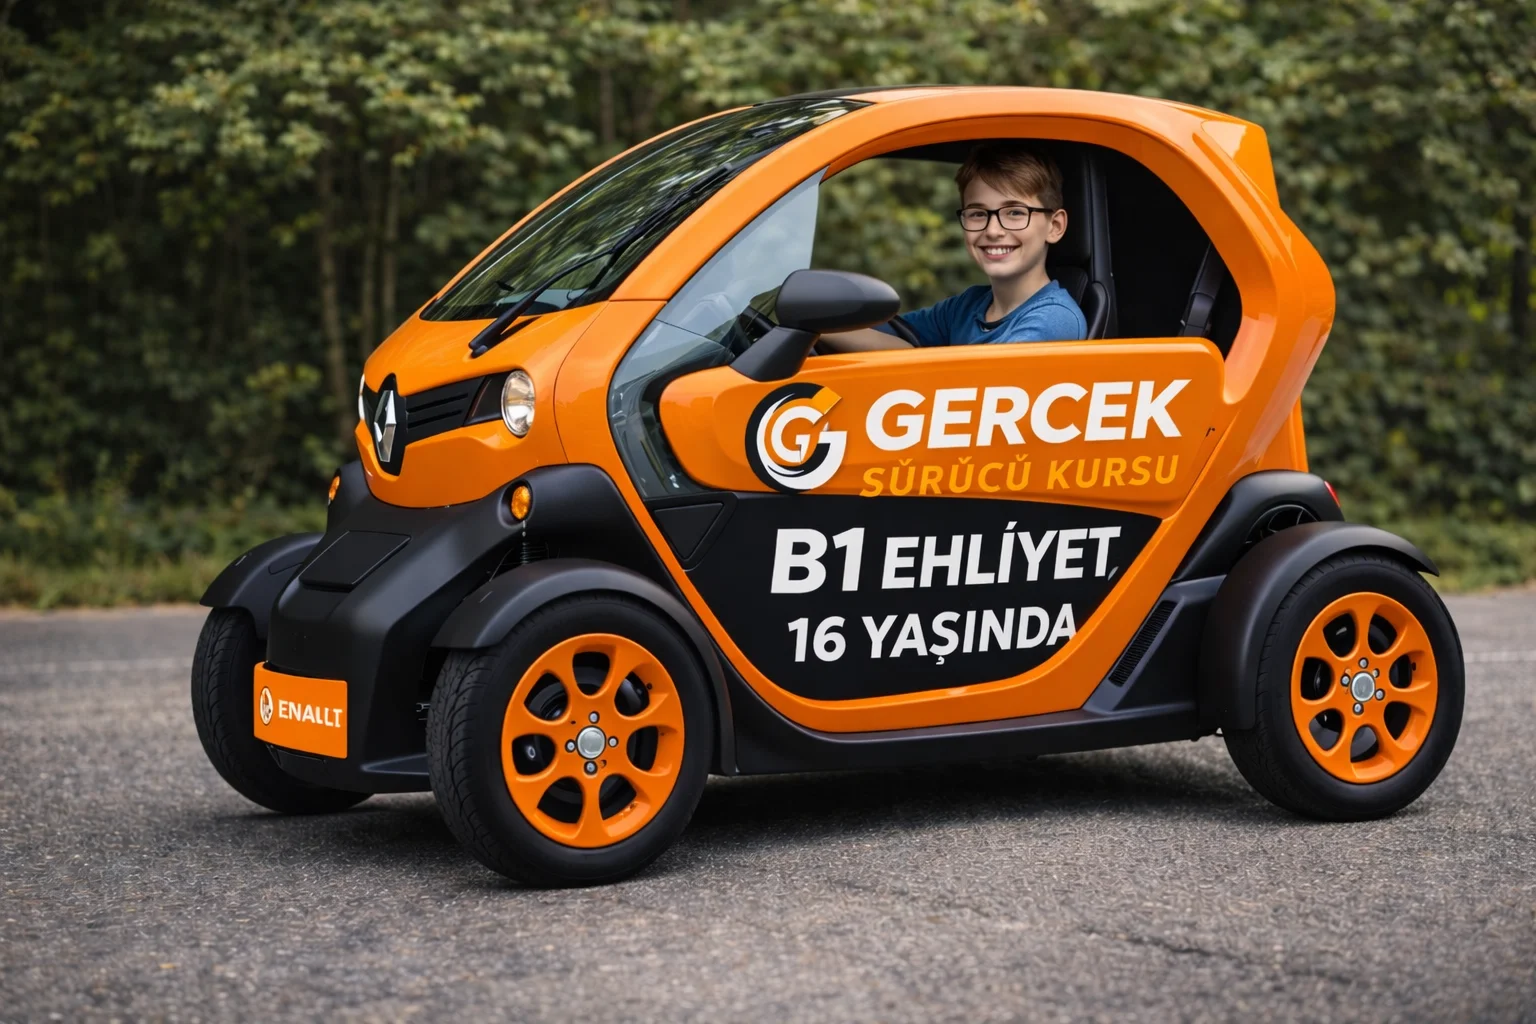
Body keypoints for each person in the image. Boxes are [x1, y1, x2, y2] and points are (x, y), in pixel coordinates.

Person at [819, 143, 1087, 350]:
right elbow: (902, 344)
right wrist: (812, 324)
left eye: (1015, 213)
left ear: (1055, 226)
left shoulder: (1053, 319)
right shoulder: (967, 307)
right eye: (978, 214)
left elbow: (982, 386)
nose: (993, 230)